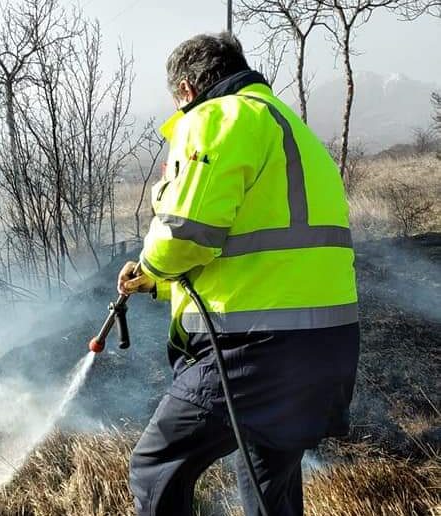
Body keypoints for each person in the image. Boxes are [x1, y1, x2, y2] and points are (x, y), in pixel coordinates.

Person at [117, 32, 360, 516]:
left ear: (186, 90)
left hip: (254, 348)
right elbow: (259, 243)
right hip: (326, 345)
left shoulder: (218, 116)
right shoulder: (291, 127)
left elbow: (186, 234)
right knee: (266, 479)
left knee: (155, 463)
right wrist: (160, 283)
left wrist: (149, 263)